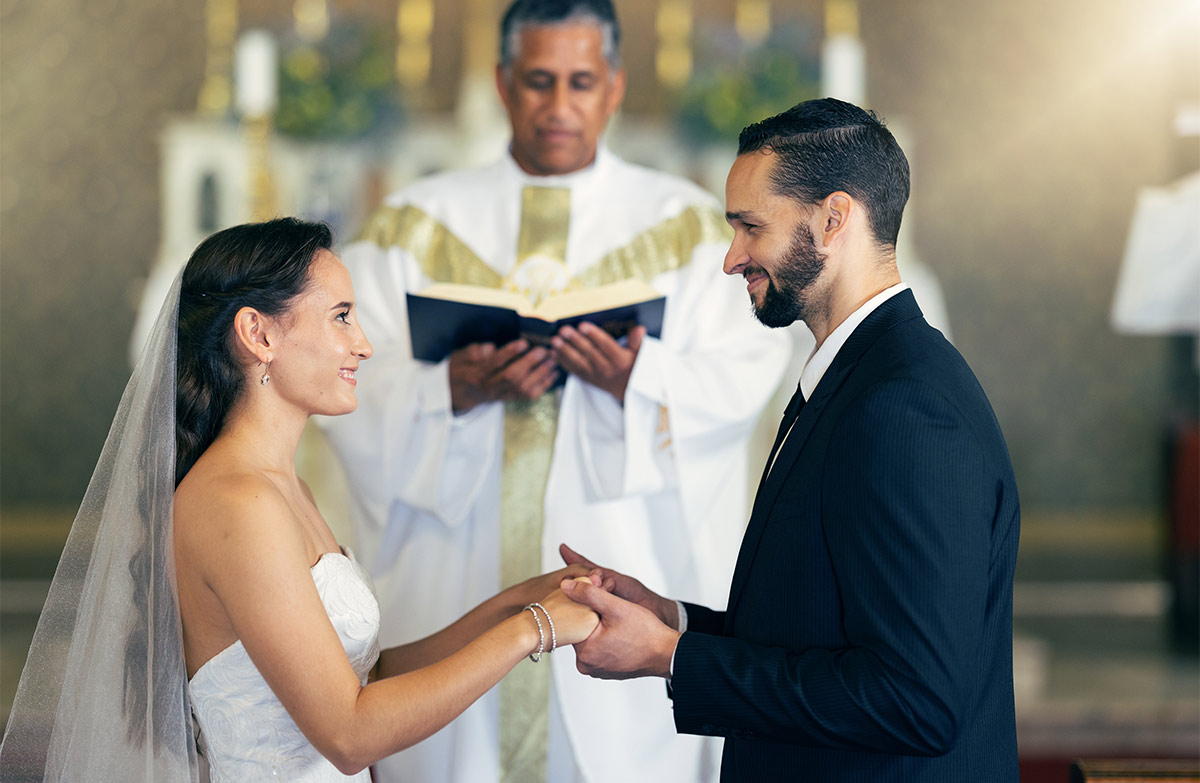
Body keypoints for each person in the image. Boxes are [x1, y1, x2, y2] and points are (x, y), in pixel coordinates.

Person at [317, 2, 791, 782]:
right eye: (539, 82)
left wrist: (635, 376)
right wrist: (449, 388)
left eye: (581, 82)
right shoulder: (412, 225)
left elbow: (744, 373)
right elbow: (343, 376)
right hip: (452, 582)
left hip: (620, 560)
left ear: (614, 87)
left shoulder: (689, 227)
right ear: (504, 85)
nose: (560, 106)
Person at [0, 218, 598, 783]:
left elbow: (369, 678)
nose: (363, 345)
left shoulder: (284, 489)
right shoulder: (237, 501)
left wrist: (526, 596)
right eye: (341, 316)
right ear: (258, 333)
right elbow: (349, 734)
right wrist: (533, 631)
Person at [559, 98, 1021, 781]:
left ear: (833, 219)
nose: (731, 258)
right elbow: (819, 632)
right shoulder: (858, 376)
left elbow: (917, 699)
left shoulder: (906, 407)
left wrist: (670, 659)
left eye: (751, 227)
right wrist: (674, 622)